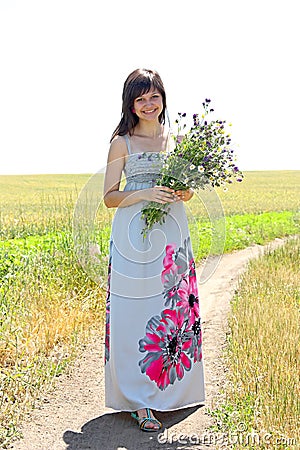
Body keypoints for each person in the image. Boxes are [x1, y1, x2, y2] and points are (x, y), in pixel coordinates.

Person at [103, 68, 205, 432]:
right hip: (133, 234)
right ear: (131, 104)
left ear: (163, 98)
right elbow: (109, 198)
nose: (149, 104)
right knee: (134, 313)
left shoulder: (175, 139)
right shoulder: (122, 142)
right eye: (140, 98)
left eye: (154, 96)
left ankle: (173, 393)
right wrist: (145, 192)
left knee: (172, 312)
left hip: (173, 232)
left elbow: (190, 190)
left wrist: (182, 192)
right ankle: (139, 400)